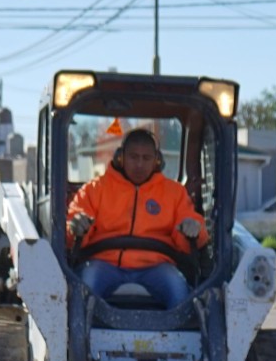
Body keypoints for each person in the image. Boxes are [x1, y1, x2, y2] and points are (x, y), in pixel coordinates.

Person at [65, 128, 208, 308]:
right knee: (83, 290)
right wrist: (75, 226)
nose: (139, 164)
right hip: (103, 264)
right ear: (120, 157)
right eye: (133, 157)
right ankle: (80, 335)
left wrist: (193, 228)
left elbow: (193, 229)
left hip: (157, 266)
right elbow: (71, 229)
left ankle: (177, 336)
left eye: (146, 158)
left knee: (179, 290)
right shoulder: (95, 189)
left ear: (157, 160)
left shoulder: (175, 193)